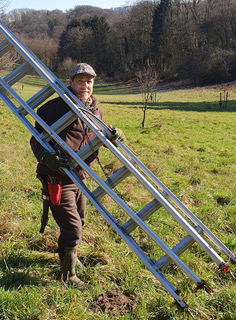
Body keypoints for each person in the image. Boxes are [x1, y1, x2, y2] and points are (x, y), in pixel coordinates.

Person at [30, 63, 111, 287]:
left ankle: (69, 258)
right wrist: (46, 158)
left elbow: (99, 135)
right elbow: (35, 139)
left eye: (89, 81)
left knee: (79, 220)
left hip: (81, 177)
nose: (85, 85)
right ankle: (68, 276)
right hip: (58, 177)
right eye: (80, 81)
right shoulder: (53, 108)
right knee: (73, 228)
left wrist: (112, 134)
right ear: (71, 82)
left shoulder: (95, 110)